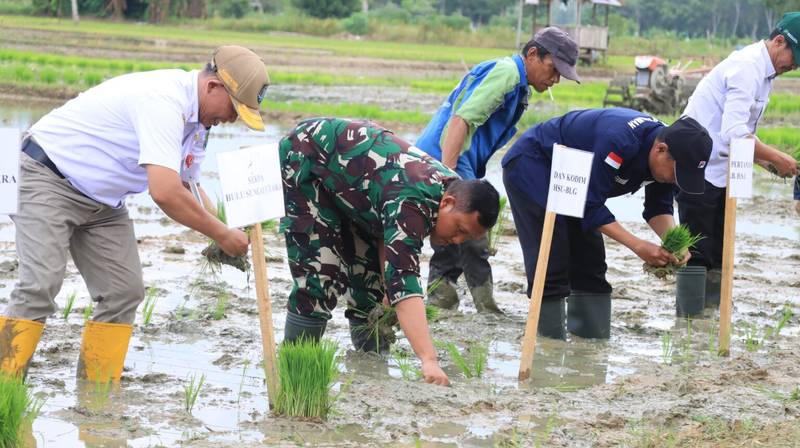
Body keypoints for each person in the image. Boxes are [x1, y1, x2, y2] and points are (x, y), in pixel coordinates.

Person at [0, 46, 270, 381]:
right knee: (40, 286)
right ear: (213, 87)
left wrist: (226, 228)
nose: (232, 119)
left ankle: (97, 395)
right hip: (45, 176)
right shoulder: (163, 101)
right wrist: (220, 235)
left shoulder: (199, 125)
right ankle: (4, 387)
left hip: (103, 202)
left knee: (123, 291)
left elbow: (188, 185)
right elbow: (164, 192)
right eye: (234, 109)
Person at [279, 117, 500, 386]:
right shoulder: (414, 199)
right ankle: (292, 379)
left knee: (371, 290)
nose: (456, 240)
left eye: (466, 238)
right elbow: (404, 282)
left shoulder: (446, 189)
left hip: (357, 189)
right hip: (308, 158)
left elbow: (390, 239)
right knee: (320, 277)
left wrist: (387, 289)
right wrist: (428, 359)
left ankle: (371, 375)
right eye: (459, 229)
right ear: (448, 204)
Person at [502, 108, 713, 339]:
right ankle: (550, 344)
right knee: (551, 257)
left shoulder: (666, 152)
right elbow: (590, 205)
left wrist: (675, 242)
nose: (676, 179)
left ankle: (590, 341)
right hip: (534, 165)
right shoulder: (620, 141)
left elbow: (657, 208)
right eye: (677, 173)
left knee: (590, 259)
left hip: (579, 180)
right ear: (660, 149)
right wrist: (638, 246)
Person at [415, 27, 579, 314]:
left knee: (453, 235)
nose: (554, 80)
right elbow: (460, 120)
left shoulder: (519, 86)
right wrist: (449, 174)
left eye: (560, 76)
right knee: (471, 232)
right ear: (532, 54)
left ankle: (443, 302)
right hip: (448, 154)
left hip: (455, 156)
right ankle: (482, 306)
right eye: (553, 70)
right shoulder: (507, 74)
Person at [677, 12, 800, 307]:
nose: (795, 66)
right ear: (779, 41)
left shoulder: (766, 73)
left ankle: (712, 320)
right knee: (698, 252)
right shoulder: (747, 68)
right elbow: (733, 132)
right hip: (698, 169)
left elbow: (741, 132)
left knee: (719, 250)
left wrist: (767, 163)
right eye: (795, 58)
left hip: (722, 169)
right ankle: (691, 323)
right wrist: (773, 155)